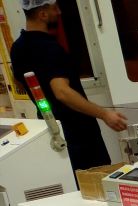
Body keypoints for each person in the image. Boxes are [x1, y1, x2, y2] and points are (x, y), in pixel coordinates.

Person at [11, 0, 128, 174]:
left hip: (50, 131)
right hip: (79, 136)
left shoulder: (17, 47)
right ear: (43, 14)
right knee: (94, 183)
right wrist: (105, 114)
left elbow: (19, 83)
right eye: (55, 8)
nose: (59, 12)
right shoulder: (50, 48)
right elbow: (62, 92)